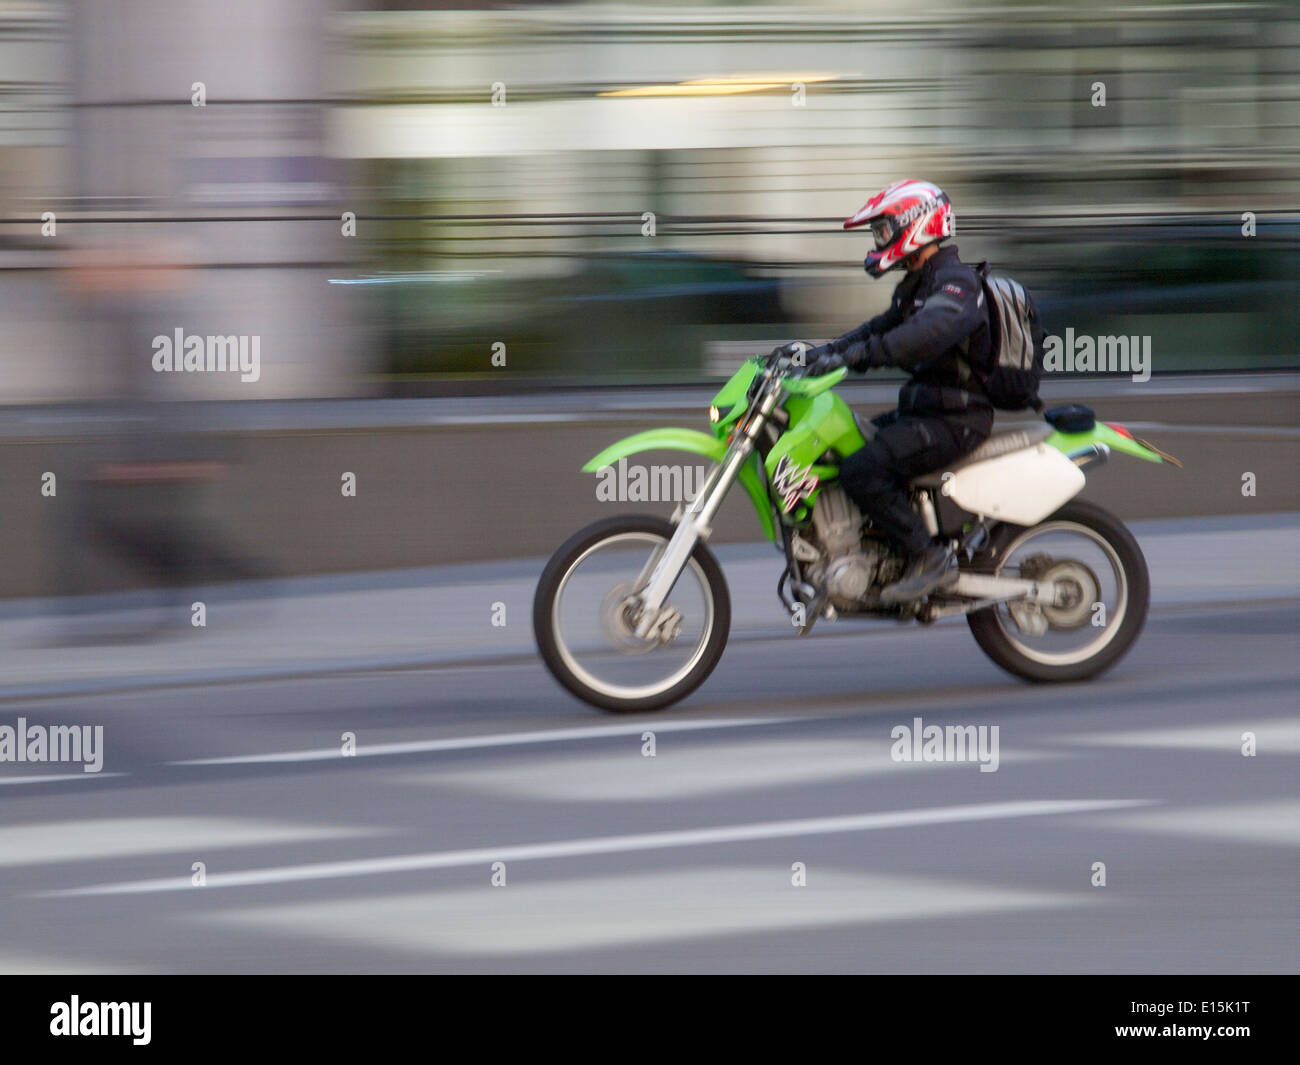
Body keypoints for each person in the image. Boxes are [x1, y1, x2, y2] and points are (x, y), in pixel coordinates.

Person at [784, 179, 993, 604]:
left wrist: (859, 357)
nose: (879, 240)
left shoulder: (956, 283)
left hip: (955, 420)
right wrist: (822, 353)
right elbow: (876, 329)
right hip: (925, 412)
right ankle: (872, 551)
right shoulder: (917, 285)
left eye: (883, 230)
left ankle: (929, 557)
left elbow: (920, 335)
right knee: (840, 450)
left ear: (915, 226)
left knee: (862, 469)